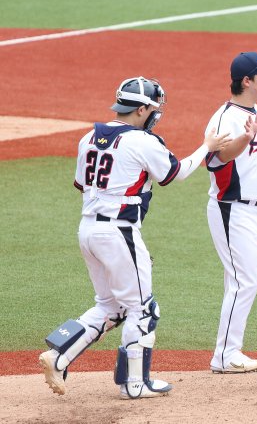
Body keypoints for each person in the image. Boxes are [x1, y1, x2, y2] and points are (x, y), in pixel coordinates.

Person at [39, 77, 234, 399]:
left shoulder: (88, 138)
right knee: (143, 309)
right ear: (141, 109)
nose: (156, 115)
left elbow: (82, 184)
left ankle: (60, 353)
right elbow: (175, 173)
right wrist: (207, 147)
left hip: (88, 230)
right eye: (154, 109)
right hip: (118, 231)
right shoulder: (143, 141)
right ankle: (135, 384)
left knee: (111, 306)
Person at [205, 51, 257, 374]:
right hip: (232, 209)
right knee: (244, 281)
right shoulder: (224, 119)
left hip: (256, 211)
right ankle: (225, 354)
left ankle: (229, 351)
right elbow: (217, 157)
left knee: (240, 280)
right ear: (246, 81)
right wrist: (243, 139)